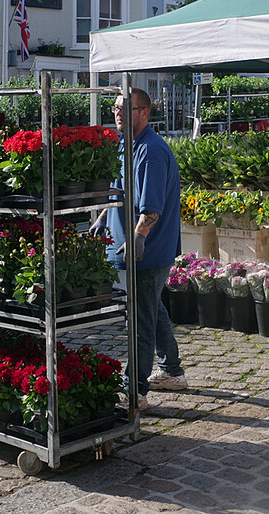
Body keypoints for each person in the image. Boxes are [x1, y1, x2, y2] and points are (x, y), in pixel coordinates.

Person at [91, 88, 187, 412]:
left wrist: (137, 237)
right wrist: (104, 217)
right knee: (151, 308)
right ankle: (172, 371)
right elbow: (123, 193)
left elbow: (151, 209)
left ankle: (136, 391)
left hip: (146, 253)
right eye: (115, 107)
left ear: (144, 113)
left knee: (141, 320)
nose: (117, 113)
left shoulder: (149, 151)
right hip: (131, 251)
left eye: (125, 108)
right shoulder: (125, 145)